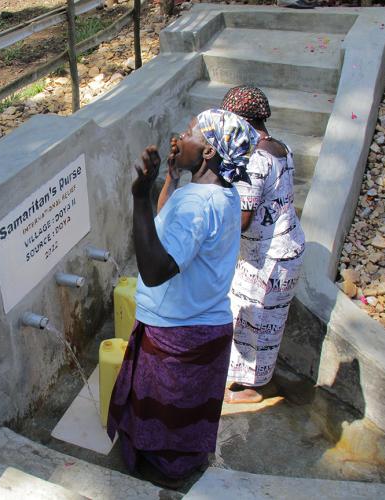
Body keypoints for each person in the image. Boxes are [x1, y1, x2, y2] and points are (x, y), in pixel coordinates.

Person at [107, 109, 259, 487]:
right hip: (205, 325)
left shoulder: (197, 204)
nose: (181, 136)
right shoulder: (220, 193)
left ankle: (160, 483)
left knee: (161, 428)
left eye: (191, 132)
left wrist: (139, 196)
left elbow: (155, 270)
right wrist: (170, 180)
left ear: (208, 152)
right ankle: (179, 473)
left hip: (176, 333)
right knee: (184, 423)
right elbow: (166, 228)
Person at [220, 86, 305, 404]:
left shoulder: (253, 159)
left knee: (250, 320)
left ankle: (249, 389)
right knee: (263, 322)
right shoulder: (280, 147)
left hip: (266, 260)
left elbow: (242, 218)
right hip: (283, 251)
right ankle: (250, 380)